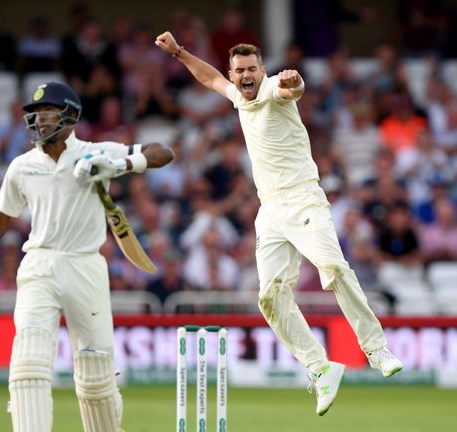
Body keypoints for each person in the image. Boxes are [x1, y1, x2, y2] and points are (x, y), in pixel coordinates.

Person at [155, 31, 402, 416]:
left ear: (263, 70)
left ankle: (376, 348)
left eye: (252, 69)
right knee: (269, 297)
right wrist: (179, 53)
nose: (245, 75)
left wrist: (293, 82)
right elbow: (208, 78)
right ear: (234, 74)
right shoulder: (238, 95)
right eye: (239, 71)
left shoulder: (272, 89)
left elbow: (294, 90)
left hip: (303, 197)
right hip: (269, 210)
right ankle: (320, 368)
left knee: (333, 268)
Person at [0, 81, 174, 431]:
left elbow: (163, 152)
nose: (40, 121)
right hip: (39, 266)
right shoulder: (22, 166)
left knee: (96, 375)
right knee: (28, 365)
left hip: (85, 266)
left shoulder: (97, 151)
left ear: (70, 116)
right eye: (36, 114)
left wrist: (119, 166)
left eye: (48, 113)